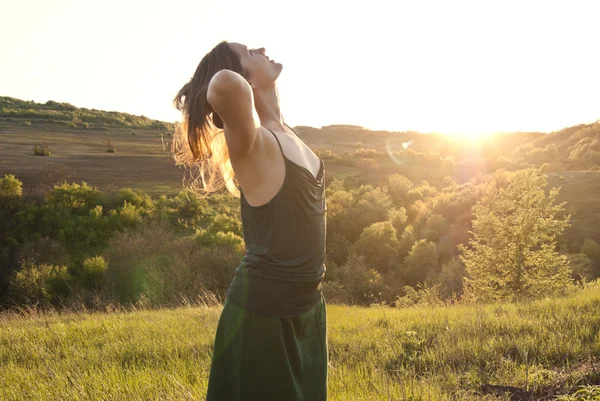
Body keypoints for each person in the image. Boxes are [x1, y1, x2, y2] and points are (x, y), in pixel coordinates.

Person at [172, 41, 328, 401]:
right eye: (249, 51)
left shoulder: (288, 134)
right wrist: (230, 61)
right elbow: (223, 84)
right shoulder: (252, 144)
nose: (260, 47)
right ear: (244, 77)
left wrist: (249, 66)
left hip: (307, 311)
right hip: (262, 317)